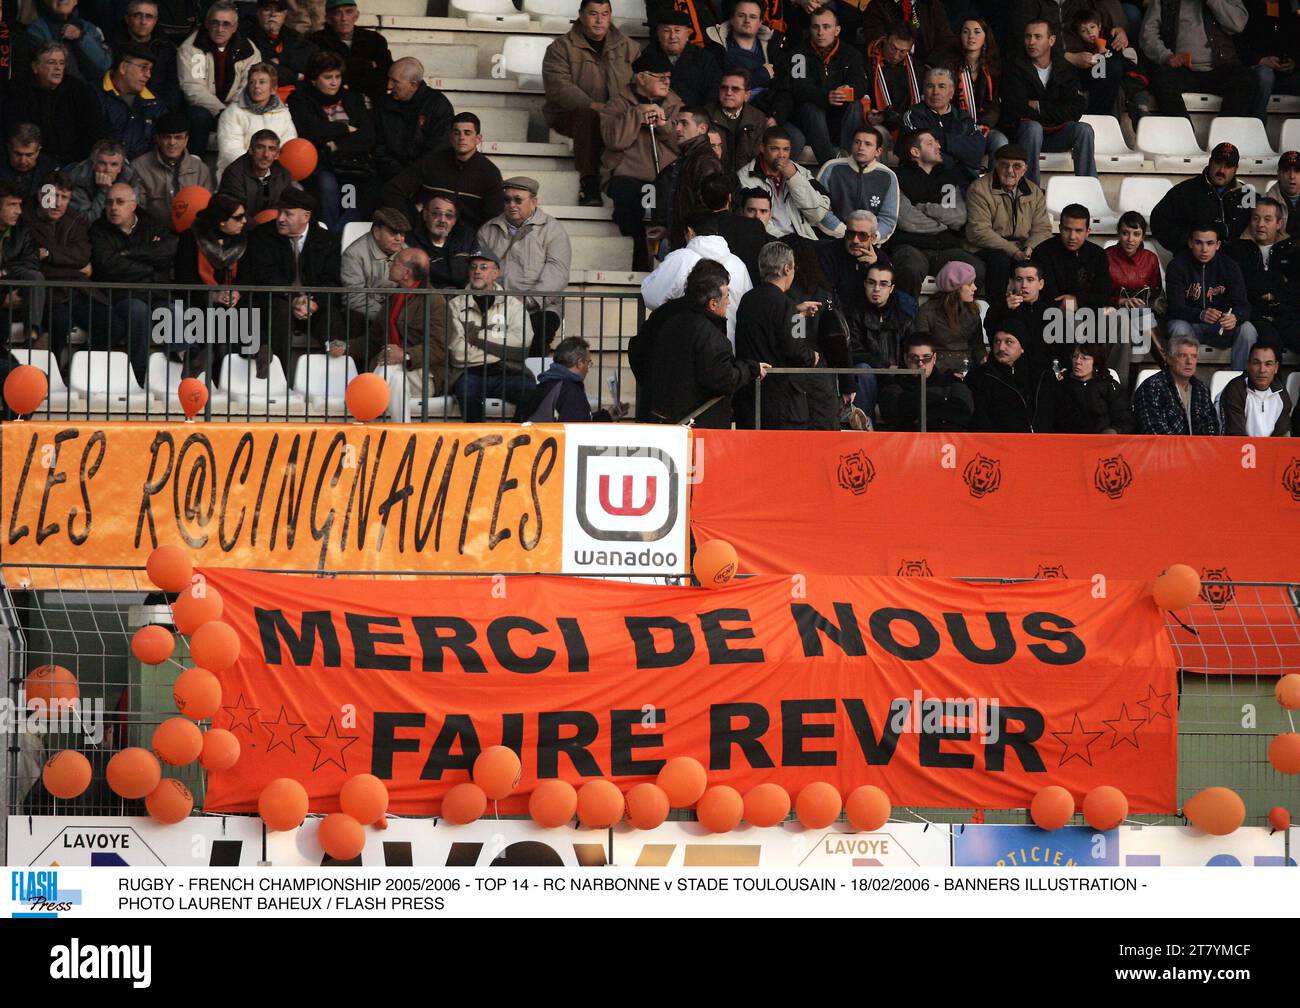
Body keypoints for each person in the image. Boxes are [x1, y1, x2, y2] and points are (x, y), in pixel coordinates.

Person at [647, 257, 768, 427]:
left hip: (666, 416)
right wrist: (751, 369)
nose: (729, 301)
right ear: (712, 303)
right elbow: (723, 379)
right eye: (726, 296)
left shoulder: (672, 322)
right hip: (697, 424)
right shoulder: (709, 334)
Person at [543, 0, 641, 208]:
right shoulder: (561, 47)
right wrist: (593, 105)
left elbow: (639, 84)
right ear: (581, 15)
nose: (599, 20)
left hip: (616, 114)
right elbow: (559, 87)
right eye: (593, 14)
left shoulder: (630, 48)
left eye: (604, 14)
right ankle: (589, 184)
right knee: (587, 117)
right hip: (569, 115)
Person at [733, 241, 836, 430]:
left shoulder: (747, 300)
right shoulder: (786, 304)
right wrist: (811, 356)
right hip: (781, 402)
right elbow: (797, 351)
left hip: (749, 397)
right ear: (787, 268)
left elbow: (768, 322)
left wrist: (795, 313)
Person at [242, 187, 342, 369]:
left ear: (306, 216)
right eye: (280, 212)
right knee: (278, 312)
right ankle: (278, 375)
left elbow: (331, 280)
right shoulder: (262, 235)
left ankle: (329, 378)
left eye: (288, 214)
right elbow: (265, 276)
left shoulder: (327, 240)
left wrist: (314, 303)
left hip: (312, 305)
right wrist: (294, 298)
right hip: (279, 301)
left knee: (332, 316)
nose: (280, 218)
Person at [600, 48, 682, 270]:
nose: (667, 81)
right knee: (634, 219)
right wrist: (637, 115)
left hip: (663, 179)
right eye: (660, 77)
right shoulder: (617, 104)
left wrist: (664, 126)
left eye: (669, 77)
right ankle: (640, 269)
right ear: (641, 77)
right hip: (627, 177)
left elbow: (682, 144)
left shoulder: (675, 104)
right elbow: (614, 141)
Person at [89, 181, 176, 384]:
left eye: (120, 202)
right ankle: (139, 376)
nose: (113, 208)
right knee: (138, 312)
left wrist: (129, 254)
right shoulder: (98, 230)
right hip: (121, 295)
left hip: (154, 294)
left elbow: (168, 251)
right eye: (109, 202)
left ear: (133, 205)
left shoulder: (150, 223)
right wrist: (148, 268)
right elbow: (108, 265)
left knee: (173, 311)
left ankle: (181, 368)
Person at [475, 176, 572, 357]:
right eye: (507, 200)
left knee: (538, 337)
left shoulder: (553, 229)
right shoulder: (488, 230)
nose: (512, 205)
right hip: (499, 307)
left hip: (540, 307)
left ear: (534, 202)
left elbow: (557, 274)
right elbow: (481, 270)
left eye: (518, 200)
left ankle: (534, 384)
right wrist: (500, 303)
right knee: (494, 349)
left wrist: (524, 302)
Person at [890, 127, 984, 299]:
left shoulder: (948, 176)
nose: (938, 146)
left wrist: (924, 208)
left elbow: (959, 216)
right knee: (910, 268)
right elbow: (906, 219)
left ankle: (957, 322)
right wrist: (942, 224)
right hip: (911, 246)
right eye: (930, 143)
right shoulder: (896, 177)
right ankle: (904, 322)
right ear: (915, 151)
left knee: (976, 268)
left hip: (945, 247)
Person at [1000, 19, 1094, 187]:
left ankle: (1088, 188)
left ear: (1051, 40)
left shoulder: (1064, 68)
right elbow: (1016, 108)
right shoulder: (1014, 66)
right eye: (1028, 37)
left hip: (1055, 134)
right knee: (1033, 127)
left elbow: (1075, 108)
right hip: (1023, 136)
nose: (1031, 42)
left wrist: (1039, 106)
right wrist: (1055, 110)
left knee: (1084, 130)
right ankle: (1030, 191)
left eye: (1037, 37)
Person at [288, 49, 374, 231]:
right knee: (327, 186)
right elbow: (310, 131)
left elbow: (367, 135)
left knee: (353, 195)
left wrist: (337, 144)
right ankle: (328, 235)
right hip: (320, 164)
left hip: (352, 165)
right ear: (314, 79)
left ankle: (346, 235)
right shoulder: (300, 98)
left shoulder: (352, 98)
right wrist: (344, 128)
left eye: (337, 76)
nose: (334, 82)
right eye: (328, 77)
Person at [446, 248, 536, 422]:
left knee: (532, 391)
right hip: (469, 372)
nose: (477, 271)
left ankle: (512, 440)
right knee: (467, 393)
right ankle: (479, 443)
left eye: (484, 267)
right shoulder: (455, 305)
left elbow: (522, 343)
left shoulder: (513, 305)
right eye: (473, 267)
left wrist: (476, 338)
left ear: (496, 273)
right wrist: (502, 352)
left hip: (507, 372)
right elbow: (457, 353)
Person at [642, 208, 752, 345]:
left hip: (688, 345)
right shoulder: (738, 264)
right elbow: (747, 306)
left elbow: (652, 296)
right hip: (728, 348)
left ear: (690, 231)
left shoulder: (679, 259)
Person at [704, 0, 801, 154]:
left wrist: (776, 116)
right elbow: (717, 85)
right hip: (729, 113)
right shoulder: (716, 49)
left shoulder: (774, 49)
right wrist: (761, 76)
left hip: (767, 110)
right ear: (732, 18)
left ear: (760, 22)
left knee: (795, 138)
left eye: (753, 17)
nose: (747, 20)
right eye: (741, 15)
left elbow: (785, 90)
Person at [384, 112, 505, 234]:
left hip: (467, 241)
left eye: (467, 133)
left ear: (478, 139)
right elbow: (394, 189)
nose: (461, 137)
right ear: (450, 137)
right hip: (425, 236)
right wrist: (409, 223)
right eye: (457, 133)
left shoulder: (490, 173)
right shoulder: (431, 162)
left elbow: (493, 217)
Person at [963, 142, 1051, 303]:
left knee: (1046, 259)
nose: (1010, 171)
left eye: (1017, 166)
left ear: (1025, 169)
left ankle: (1039, 311)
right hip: (986, 248)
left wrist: (1029, 248)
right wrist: (1014, 251)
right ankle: (996, 311)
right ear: (996, 166)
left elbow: (1042, 228)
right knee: (1000, 260)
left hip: (1023, 247)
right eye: (1004, 165)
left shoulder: (1034, 191)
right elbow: (978, 231)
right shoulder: (979, 189)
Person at [172, 193, 248, 374]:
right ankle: (211, 370)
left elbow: (248, 276)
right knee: (217, 315)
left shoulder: (243, 239)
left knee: (241, 313)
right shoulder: (191, 238)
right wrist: (213, 296)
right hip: (197, 303)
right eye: (238, 217)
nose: (244, 221)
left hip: (233, 305)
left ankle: (254, 351)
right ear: (222, 221)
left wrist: (237, 292)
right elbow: (184, 278)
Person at [1165, 222, 1258, 370]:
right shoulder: (1177, 266)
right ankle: (1179, 385)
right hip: (1190, 326)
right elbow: (1174, 308)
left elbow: (1244, 305)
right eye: (1198, 243)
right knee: (1178, 327)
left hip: (1220, 328)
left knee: (1247, 329)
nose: (1204, 249)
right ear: (1190, 243)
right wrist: (1200, 314)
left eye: (1210, 243)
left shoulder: (1230, 266)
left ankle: (1241, 383)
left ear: (1218, 245)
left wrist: (1235, 317)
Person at [25, 170, 97, 361]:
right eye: (53, 196)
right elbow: (31, 261)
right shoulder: (25, 219)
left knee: (114, 324)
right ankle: (50, 374)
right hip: (50, 291)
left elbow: (83, 255)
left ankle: (78, 366)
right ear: (40, 195)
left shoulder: (76, 219)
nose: (58, 203)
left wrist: (49, 254)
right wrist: (73, 265)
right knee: (60, 321)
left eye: (64, 197)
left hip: (79, 290)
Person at [1140, 0, 1255, 118]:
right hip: (1182, 69)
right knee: (1162, 77)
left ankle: (1224, 134)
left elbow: (1238, 24)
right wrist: (1166, 56)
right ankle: (1183, 133)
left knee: (1245, 80)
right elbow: (1147, 33)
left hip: (1219, 67)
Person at [371, 246, 446, 419]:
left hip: (424, 373)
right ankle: (403, 436)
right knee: (397, 380)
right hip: (394, 372)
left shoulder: (434, 301)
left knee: (389, 367)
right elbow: (373, 338)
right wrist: (346, 346)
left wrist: (405, 355)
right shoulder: (394, 297)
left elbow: (439, 347)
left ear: (406, 273)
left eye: (394, 262)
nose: (390, 264)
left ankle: (368, 407)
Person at [179, 2, 262, 157]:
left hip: (236, 108)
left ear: (235, 27)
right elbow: (192, 87)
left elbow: (250, 84)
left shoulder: (248, 50)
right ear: (206, 24)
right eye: (215, 23)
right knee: (198, 115)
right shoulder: (192, 47)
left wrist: (232, 110)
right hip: (207, 110)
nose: (220, 29)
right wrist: (220, 111)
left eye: (226, 24)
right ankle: (195, 164)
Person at [3, 41, 105, 167]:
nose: (57, 68)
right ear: (35, 66)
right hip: (31, 163)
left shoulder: (77, 89)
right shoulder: (18, 91)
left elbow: (93, 130)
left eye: (61, 63)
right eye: (51, 62)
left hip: (73, 164)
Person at [789, 7, 868, 166]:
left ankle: (850, 158)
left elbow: (861, 83)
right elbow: (798, 88)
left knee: (855, 104)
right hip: (810, 121)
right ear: (810, 29)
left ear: (837, 30)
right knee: (811, 108)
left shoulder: (851, 53)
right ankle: (831, 165)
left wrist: (847, 90)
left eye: (826, 27)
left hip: (839, 117)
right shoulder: (799, 53)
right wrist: (826, 96)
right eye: (815, 27)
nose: (820, 32)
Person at [1150, 142, 1253, 255]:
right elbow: (1158, 221)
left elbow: (1255, 230)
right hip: (1192, 263)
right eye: (1218, 163)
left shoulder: (1248, 193)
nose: (1222, 170)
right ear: (1210, 162)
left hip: (1233, 263)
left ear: (1236, 169)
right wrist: (1188, 245)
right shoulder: (1185, 190)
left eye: (1228, 166)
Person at [1227, 197, 1300, 354]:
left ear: (1278, 224)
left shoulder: (1292, 250)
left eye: (1268, 219)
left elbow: (1296, 289)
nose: (1260, 224)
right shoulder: (1238, 250)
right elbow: (1243, 285)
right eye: (1256, 218)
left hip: (1287, 315)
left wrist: (1276, 291)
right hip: (1255, 316)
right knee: (1270, 346)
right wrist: (1279, 279)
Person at [734, 127, 830, 241]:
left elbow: (817, 214)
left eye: (786, 149)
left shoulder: (800, 172)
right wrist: (787, 242)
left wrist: (794, 178)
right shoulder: (745, 177)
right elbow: (756, 223)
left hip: (804, 239)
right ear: (762, 148)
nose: (781, 155)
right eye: (774, 149)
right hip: (768, 241)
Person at [900, 66, 987, 186]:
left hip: (963, 183)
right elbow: (921, 153)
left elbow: (976, 153)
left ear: (951, 92)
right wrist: (958, 156)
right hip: (926, 181)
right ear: (924, 90)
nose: (935, 92)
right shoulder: (913, 115)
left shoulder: (963, 118)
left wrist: (943, 141)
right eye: (930, 86)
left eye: (942, 86)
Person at [846, 260, 912, 415]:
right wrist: (884, 366)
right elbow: (853, 351)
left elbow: (911, 351)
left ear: (891, 289)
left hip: (897, 379)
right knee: (863, 370)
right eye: (871, 283)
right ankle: (865, 427)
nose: (876, 289)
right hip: (869, 377)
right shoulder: (853, 315)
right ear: (864, 284)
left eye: (883, 284)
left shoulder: (904, 320)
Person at [967, 318, 1057, 431]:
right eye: (997, 341)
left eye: (1008, 342)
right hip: (997, 445)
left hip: (1043, 444)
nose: (1001, 348)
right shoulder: (978, 377)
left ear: (1022, 347)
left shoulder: (1043, 375)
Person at [653, 106, 722, 252]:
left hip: (694, 244)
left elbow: (707, 207)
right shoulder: (689, 157)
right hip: (684, 240)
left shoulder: (705, 160)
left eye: (684, 123)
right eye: (677, 123)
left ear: (702, 128)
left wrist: (690, 235)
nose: (677, 128)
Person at [132, 110, 215, 231]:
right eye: (167, 137)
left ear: (186, 140)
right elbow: (137, 210)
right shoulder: (139, 168)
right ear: (158, 139)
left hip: (193, 235)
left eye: (178, 137)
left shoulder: (200, 169)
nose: (172, 142)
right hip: (153, 236)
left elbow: (209, 209)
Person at [340, 205, 408, 348]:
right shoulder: (354, 254)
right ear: (376, 232)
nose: (399, 239)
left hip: (395, 311)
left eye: (402, 234)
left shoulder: (405, 252)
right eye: (393, 233)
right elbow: (354, 297)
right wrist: (387, 317)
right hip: (365, 314)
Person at [374, 58, 453, 182]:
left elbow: (439, 149)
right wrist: (400, 175)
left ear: (413, 85)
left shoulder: (438, 104)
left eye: (395, 82)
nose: (389, 86)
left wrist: (414, 176)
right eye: (389, 79)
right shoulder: (384, 104)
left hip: (427, 178)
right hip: (390, 176)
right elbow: (378, 148)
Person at [879, 329, 974, 431]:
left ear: (934, 358)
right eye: (914, 357)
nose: (920, 363)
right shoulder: (894, 383)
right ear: (906, 359)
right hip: (908, 443)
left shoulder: (951, 380)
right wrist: (944, 402)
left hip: (946, 443)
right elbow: (892, 412)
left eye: (926, 357)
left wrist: (917, 409)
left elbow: (965, 409)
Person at [817, 125, 899, 242]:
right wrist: (848, 234)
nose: (861, 147)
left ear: (878, 151)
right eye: (857, 142)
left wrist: (870, 238)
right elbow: (820, 210)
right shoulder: (831, 168)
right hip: (832, 238)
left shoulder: (888, 176)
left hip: (870, 243)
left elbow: (888, 218)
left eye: (868, 144)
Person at [1070, 6, 1153, 122]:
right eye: (1084, 31)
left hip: (1130, 78)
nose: (1090, 32)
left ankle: (1141, 116)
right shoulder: (1082, 49)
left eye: (1092, 27)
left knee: (1131, 90)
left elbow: (1131, 60)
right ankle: (1112, 125)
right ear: (1078, 34)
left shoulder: (1112, 37)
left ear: (1099, 26)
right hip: (1107, 84)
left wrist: (1115, 53)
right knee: (1117, 92)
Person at [947, 15, 1010, 159]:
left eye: (977, 32)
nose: (971, 36)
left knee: (1001, 141)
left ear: (985, 37)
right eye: (966, 31)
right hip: (955, 128)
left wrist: (983, 125)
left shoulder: (994, 69)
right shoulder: (949, 66)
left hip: (984, 128)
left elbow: (995, 105)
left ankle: (994, 182)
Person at [1133, 332, 1220, 434]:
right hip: (1163, 449)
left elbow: (1212, 428)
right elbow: (1154, 432)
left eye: (1194, 356)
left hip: (1198, 449)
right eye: (1183, 356)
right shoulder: (1151, 388)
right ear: (1169, 359)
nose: (1189, 362)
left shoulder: (1202, 389)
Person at [310, 0, 391, 106]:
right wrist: (367, 66)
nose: (344, 18)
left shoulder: (374, 39)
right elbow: (321, 74)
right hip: (334, 103)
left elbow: (386, 74)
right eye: (338, 13)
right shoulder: (317, 40)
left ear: (356, 16)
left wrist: (349, 79)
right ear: (328, 18)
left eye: (349, 12)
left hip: (374, 101)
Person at [517, 336, 616, 422]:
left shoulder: (543, 386)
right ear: (580, 362)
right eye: (588, 363)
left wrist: (607, 416)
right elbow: (577, 431)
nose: (587, 369)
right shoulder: (571, 392)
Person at [114, 1, 184, 123]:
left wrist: (161, 111)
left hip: (158, 111)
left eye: (149, 16)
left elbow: (173, 87)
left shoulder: (167, 49)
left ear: (156, 21)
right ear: (127, 19)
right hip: (120, 108)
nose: (143, 22)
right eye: (137, 15)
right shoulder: (114, 46)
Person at [98, 43, 165, 163]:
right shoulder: (93, 95)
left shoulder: (155, 104)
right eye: (143, 67)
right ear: (123, 67)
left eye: (150, 69)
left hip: (143, 174)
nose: (148, 75)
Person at [217, 128, 299, 225]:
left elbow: (287, 207)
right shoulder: (234, 174)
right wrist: (260, 231)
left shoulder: (284, 175)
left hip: (275, 228)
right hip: (241, 229)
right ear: (251, 150)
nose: (266, 154)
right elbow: (234, 213)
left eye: (272, 149)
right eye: (260, 147)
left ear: (277, 155)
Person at [914, 259, 984, 373]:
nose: (975, 288)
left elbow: (977, 346)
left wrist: (982, 359)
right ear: (956, 287)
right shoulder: (927, 312)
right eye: (970, 284)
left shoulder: (972, 312)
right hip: (938, 371)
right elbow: (922, 348)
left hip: (967, 368)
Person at [0, 180, 44, 345]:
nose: (18, 211)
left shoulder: (22, 230)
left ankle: (31, 338)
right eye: (12, 205)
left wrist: (4, 272)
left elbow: (31, 263)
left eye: (20, 205)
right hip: (3, 297)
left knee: (34, 276)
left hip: (16, 294)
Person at [702, 175, 769, 284]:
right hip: (749, 290)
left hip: (711, 291)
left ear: (701, 198)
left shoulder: (696, 228)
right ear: (729, 197)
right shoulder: (755, 227)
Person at [984, 258, 1054, 361]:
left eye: (1030, 280)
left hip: (1040, 369)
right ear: (1012, 282)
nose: (1024, 285)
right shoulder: (1001, 308)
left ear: (1041, 284)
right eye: (1019, 279)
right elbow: (991, 333)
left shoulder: (1051, 312)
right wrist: (1005, 310)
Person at [644, 9, 718, 107]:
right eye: (666, 31)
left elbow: (714, 93)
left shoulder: (704, 58)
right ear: (658, 34)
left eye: (677, 30)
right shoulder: (646, 57)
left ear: (688, 34)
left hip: (695, 116)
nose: (672, 36)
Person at [26, 0, 112, 83]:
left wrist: (81, 37)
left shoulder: (89, 28)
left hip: (89, 92)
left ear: (76, 1)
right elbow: (43, 71)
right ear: (46, 1)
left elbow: (104, 66)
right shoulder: (37, 29)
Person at [1055, 343, 1134, 432]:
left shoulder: (1110, 387)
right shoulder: (1061, 386)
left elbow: (1125, 420)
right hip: (1066, 441)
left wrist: (1114, 431)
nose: (1077, 362)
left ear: (1095, 362)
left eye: (1084, 358)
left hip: (1103, 442)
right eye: (1075, 357)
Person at [1219, 342, 1294, 435]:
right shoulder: (1236, 389)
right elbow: (1235, 436)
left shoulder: (1282, 395)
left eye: (1268, 364)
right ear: (1248, 365)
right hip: (1239, 448)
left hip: (1271, 448)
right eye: (1256, 363)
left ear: (1276, 368)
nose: (1262, 370)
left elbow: (1281, 438)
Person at [241, 0, 317, 91]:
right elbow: (259, 70)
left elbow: (311, 58)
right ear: (258, 13)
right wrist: (295, 76)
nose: (273, 14)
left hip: (293, 96)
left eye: (278, 10)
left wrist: (280, 60)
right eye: (267, 9)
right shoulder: (246, 36)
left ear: (285, 14)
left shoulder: (293, 36)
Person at [705, 68, 767, 178]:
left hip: (747, 180)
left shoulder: (758, 118)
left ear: (747, 95)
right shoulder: (705, 115)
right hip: (713, 180)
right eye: (724, 88)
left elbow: (758, 159)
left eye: (735, 89)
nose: (728, 93)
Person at [67, 139, 144, 226]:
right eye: (102, 163)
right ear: (94, 165)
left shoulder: (130, 178)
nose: (108, 170)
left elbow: (135, 215)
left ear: (120, 168)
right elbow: (87, 222)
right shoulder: (79, 179)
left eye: (114, 164)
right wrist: (103, 192)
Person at [865, 24, 922, 140]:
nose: (896, 55)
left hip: (905, 124)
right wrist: (871, 114)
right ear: (885, 39)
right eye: (893, 48)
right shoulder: (866, 60)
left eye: (902, 51)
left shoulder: (917, 68)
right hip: (874, 124)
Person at [859, 0, 954, 67]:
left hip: (926, 66)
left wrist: (930, 64)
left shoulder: (933, 5)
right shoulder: (879, 5)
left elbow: (946, 40)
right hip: (890, 68)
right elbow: (875, 39)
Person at [409, 194, 475, 290]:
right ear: (425, 215)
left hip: (462, 300)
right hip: (428, 300)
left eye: (449, 215)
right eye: (436, 213)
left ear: (455, 220)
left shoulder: (468, 238)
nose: (442, 220)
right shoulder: (412, 242)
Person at [1106, 210, 1163, 316]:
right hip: (1112, 310)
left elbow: (1156, 293)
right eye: (1125, 233)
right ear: (1118, 233)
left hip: (1142, 311)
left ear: (1143, 237)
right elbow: (1097, 293)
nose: (1130, 239)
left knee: (1142, 313)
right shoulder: (1106, 256)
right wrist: (1120, 301)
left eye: (1136, 234)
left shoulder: (1150, 259)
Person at [1, 125, 55, 203]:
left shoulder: (49, 169)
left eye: (29, 155)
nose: (23, 161)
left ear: (38, 151)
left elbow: (49, 205)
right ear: (9, 148)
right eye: (18, 154)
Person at [1267, 150, 1300, 220]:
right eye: (1286, 170)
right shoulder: (1267, 203)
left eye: (1297, 171)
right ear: (1278, 174)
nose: (1292, 176)